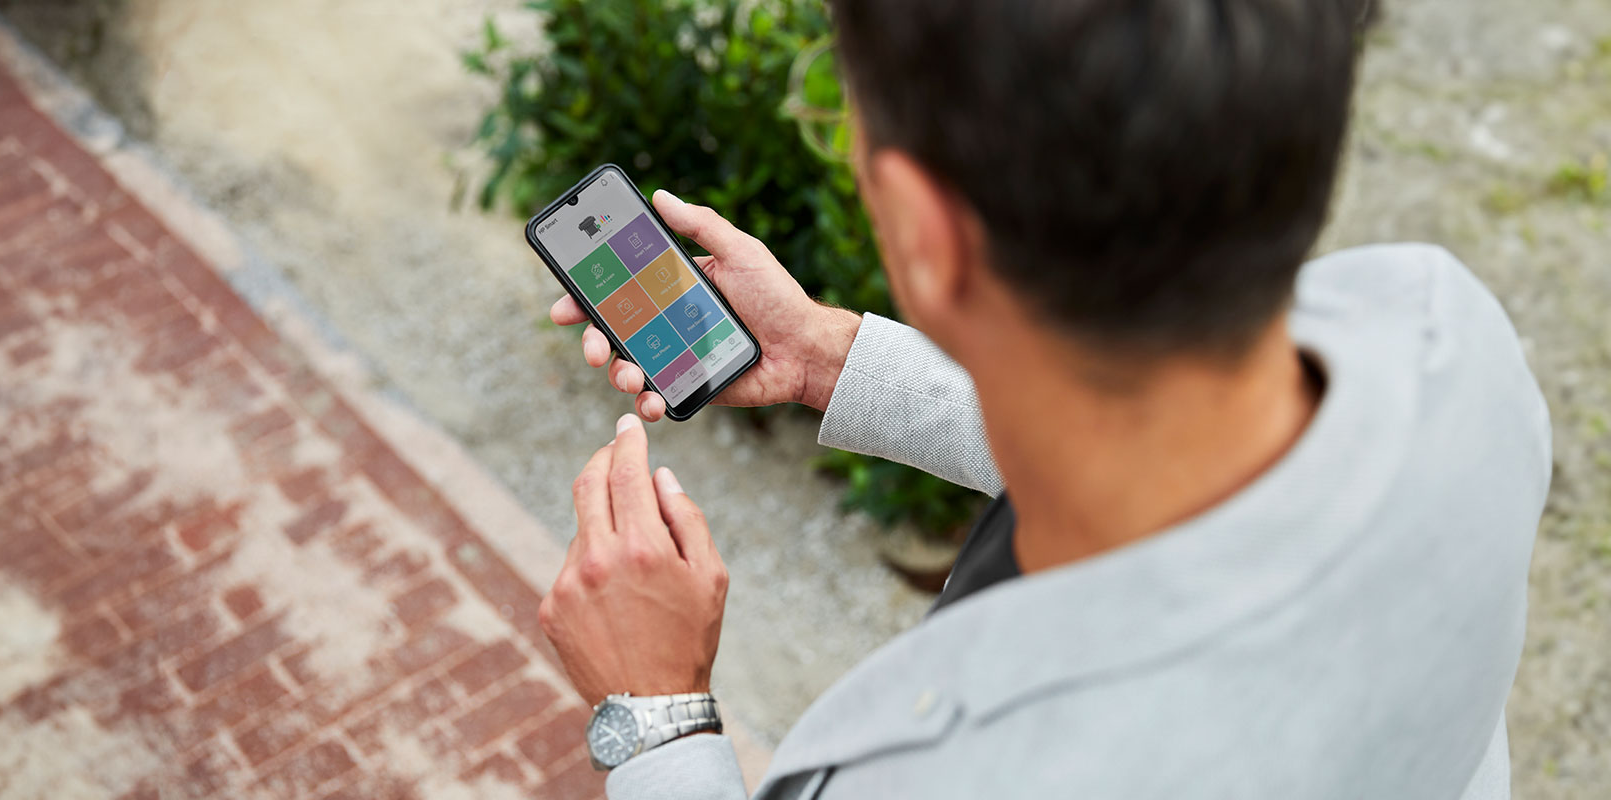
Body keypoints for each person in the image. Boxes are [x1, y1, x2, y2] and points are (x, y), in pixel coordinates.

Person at [532, 0, 1549, 797]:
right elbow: (1149, 419)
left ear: (923, 233)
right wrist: (832, 356)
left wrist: (655, 714)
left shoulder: (953, 775)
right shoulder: (1442, 336)